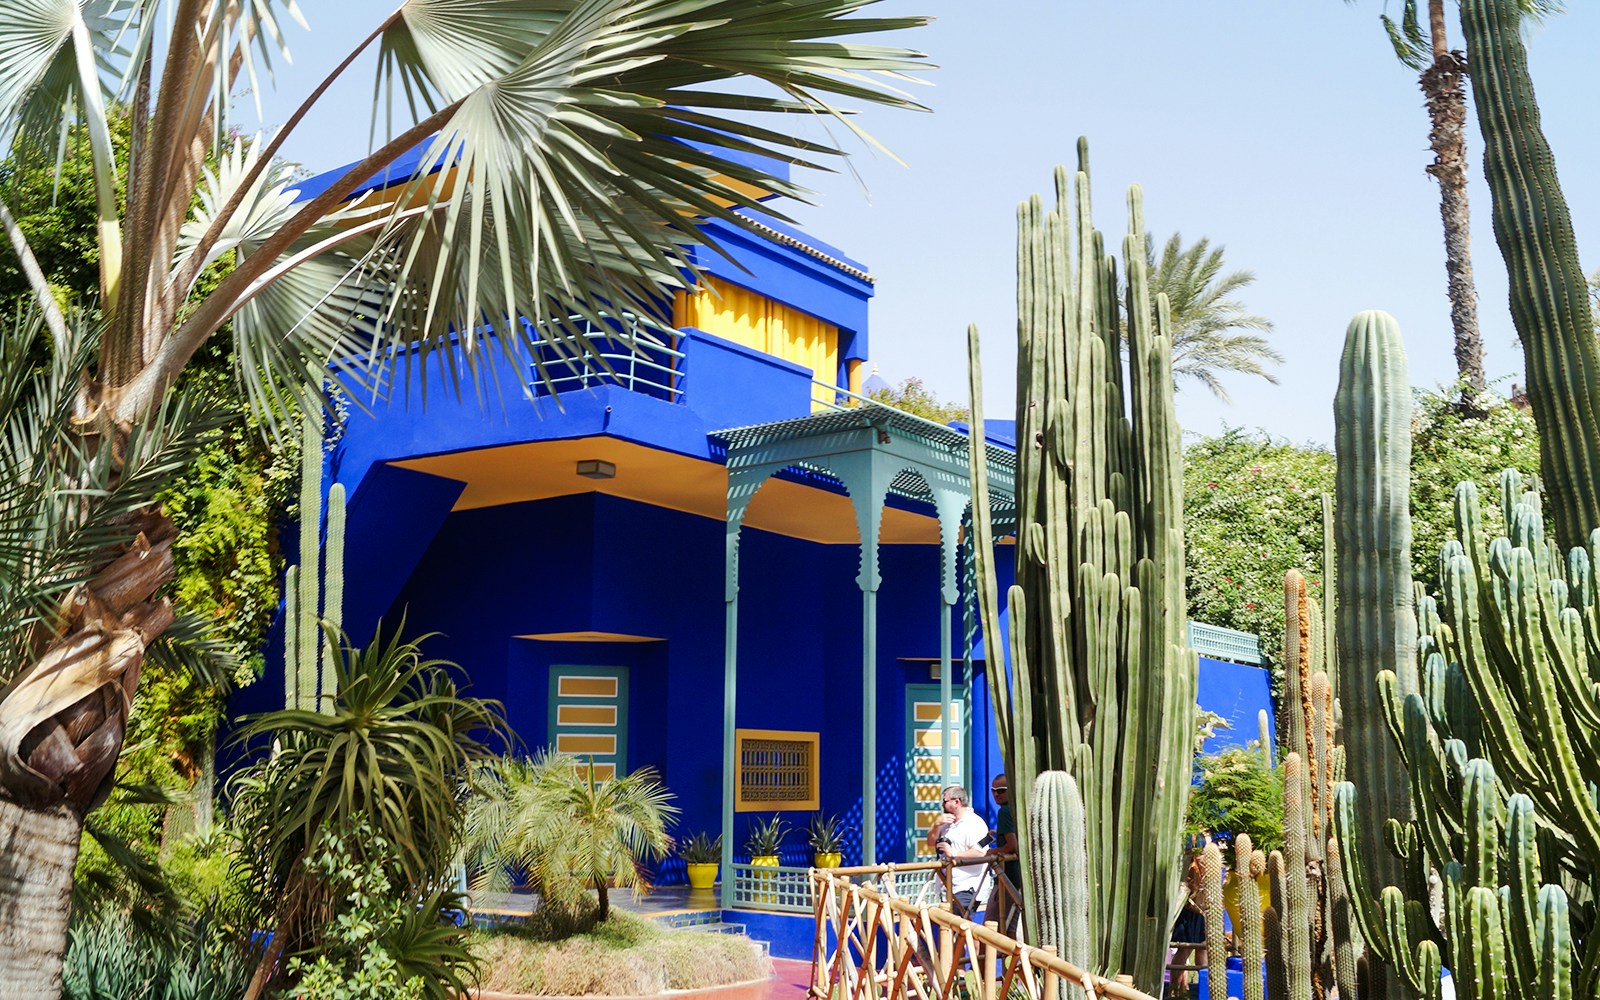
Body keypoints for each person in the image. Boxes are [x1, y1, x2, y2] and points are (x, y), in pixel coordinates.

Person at [929, 784, 990, 916]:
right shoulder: (946, 822)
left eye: (945, 801)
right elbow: (930, 842)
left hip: (968, 886)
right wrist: (936, 825)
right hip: (948, 885)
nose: (942, 805)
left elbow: (980, 852)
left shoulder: (974, 823)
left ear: (956, 802)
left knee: (959, 928)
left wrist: (954, 853)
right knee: (950, 929)